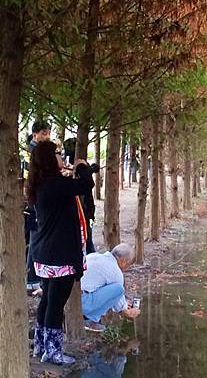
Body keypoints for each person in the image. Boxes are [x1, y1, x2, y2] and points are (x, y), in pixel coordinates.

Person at [28, 140, 94, 365]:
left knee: (47, 301)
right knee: (55, 304)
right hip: (60, 256)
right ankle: (53, 352)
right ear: (49, 159)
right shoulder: (56, 185)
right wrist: (82, 167)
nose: (61, 156)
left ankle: (41, 346)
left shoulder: (41, 184)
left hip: (45, 255)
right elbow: (85, 186)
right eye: (57, 153)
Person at [81, 243, 141, 332]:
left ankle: (88, 315)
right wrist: (128, 312)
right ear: (123, 261)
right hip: (83, 304)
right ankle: (90, 319)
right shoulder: (116, 272)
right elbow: (119, 306)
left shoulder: (94, 256)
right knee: (119, 289)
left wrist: (124, 302)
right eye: (128, 264)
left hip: (73, 298)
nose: (127, 268)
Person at [26, 120, 51, 291]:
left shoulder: (41, 150)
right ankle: (32, 279)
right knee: (35, 238)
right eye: (43, 133)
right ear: (35, 134)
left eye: (48, 132)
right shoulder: (33, 152)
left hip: (39, 197)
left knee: (38, 237)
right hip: (35, 199)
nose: (46, 136)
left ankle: (35, 278)